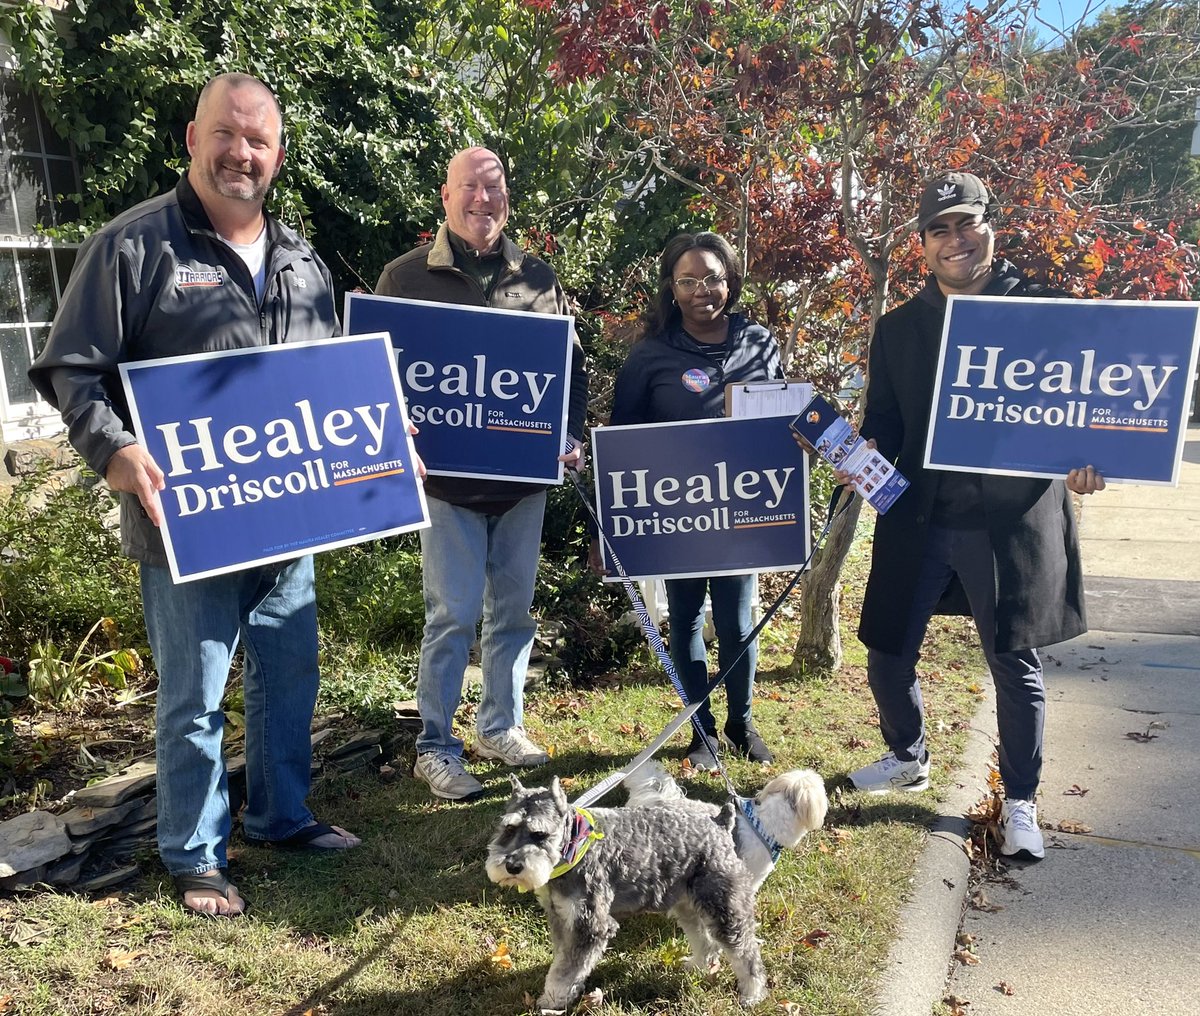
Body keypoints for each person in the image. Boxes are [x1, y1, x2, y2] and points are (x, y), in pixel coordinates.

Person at [29, 73, 360, 917]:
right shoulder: (135, 246)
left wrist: (382, 446)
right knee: (195, 694)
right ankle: (196, 853)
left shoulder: (302, 259)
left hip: (291, 518)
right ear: (192, 137)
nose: (240, 153)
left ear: (278, 155)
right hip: (187, 525)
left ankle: (280, 815)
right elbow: (74, 368)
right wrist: (115, 450)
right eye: (227, 134)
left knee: (291, 675)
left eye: (258, 140)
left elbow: (330, 388)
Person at [847, 171, 1105, 860]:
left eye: (967, 224)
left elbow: (1085, 410)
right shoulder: (899, 329)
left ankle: (1019, 800)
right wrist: (864, 452)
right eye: (940, 230)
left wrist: (1088, 459)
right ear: (922, 245)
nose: (955, 240)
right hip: (920, 518)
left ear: (992, 226)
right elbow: (885, 423)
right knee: (887, 652)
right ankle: (908, 753)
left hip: (1009, 525)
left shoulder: (1047, 312)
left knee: (1011, 662)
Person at [375, 147, 588, 801]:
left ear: (506, 197)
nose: (482, 200)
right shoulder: (405, 276)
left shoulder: (538, 278)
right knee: (453, 617)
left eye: (493, 188)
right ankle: (436, 746)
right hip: (447, 486)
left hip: (522, 485)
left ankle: (500, 725)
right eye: (470, 187)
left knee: (514, 615)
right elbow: (372, 378)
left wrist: (569, 432)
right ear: (446, 196)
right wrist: (388, 442)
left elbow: (569, 368)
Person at [597, 231, 782, 767]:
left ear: (731, 280)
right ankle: (700, 731)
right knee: (684, 617)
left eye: (713, 277)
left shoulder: (758, 342)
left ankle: (741, 725)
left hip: (741, 506)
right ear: (671, 288)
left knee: (737, 621)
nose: (703, 289)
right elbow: (620, 442)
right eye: (688, 280)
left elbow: (777, 414)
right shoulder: (650, 354)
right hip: (677, 511)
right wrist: (606, 530)